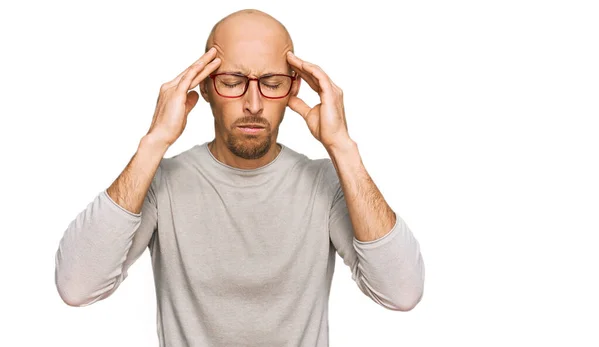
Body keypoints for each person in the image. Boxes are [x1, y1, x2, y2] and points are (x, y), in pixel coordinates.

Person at [54, 8, 425, 347]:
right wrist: (154, 142)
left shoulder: (326, 183)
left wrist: (342, 146)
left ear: (294, 88)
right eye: (232, 81)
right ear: (203, 87)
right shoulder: (160, 182)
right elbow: (77, 287)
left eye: (272, 82)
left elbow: (401, 292)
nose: (253, 104)